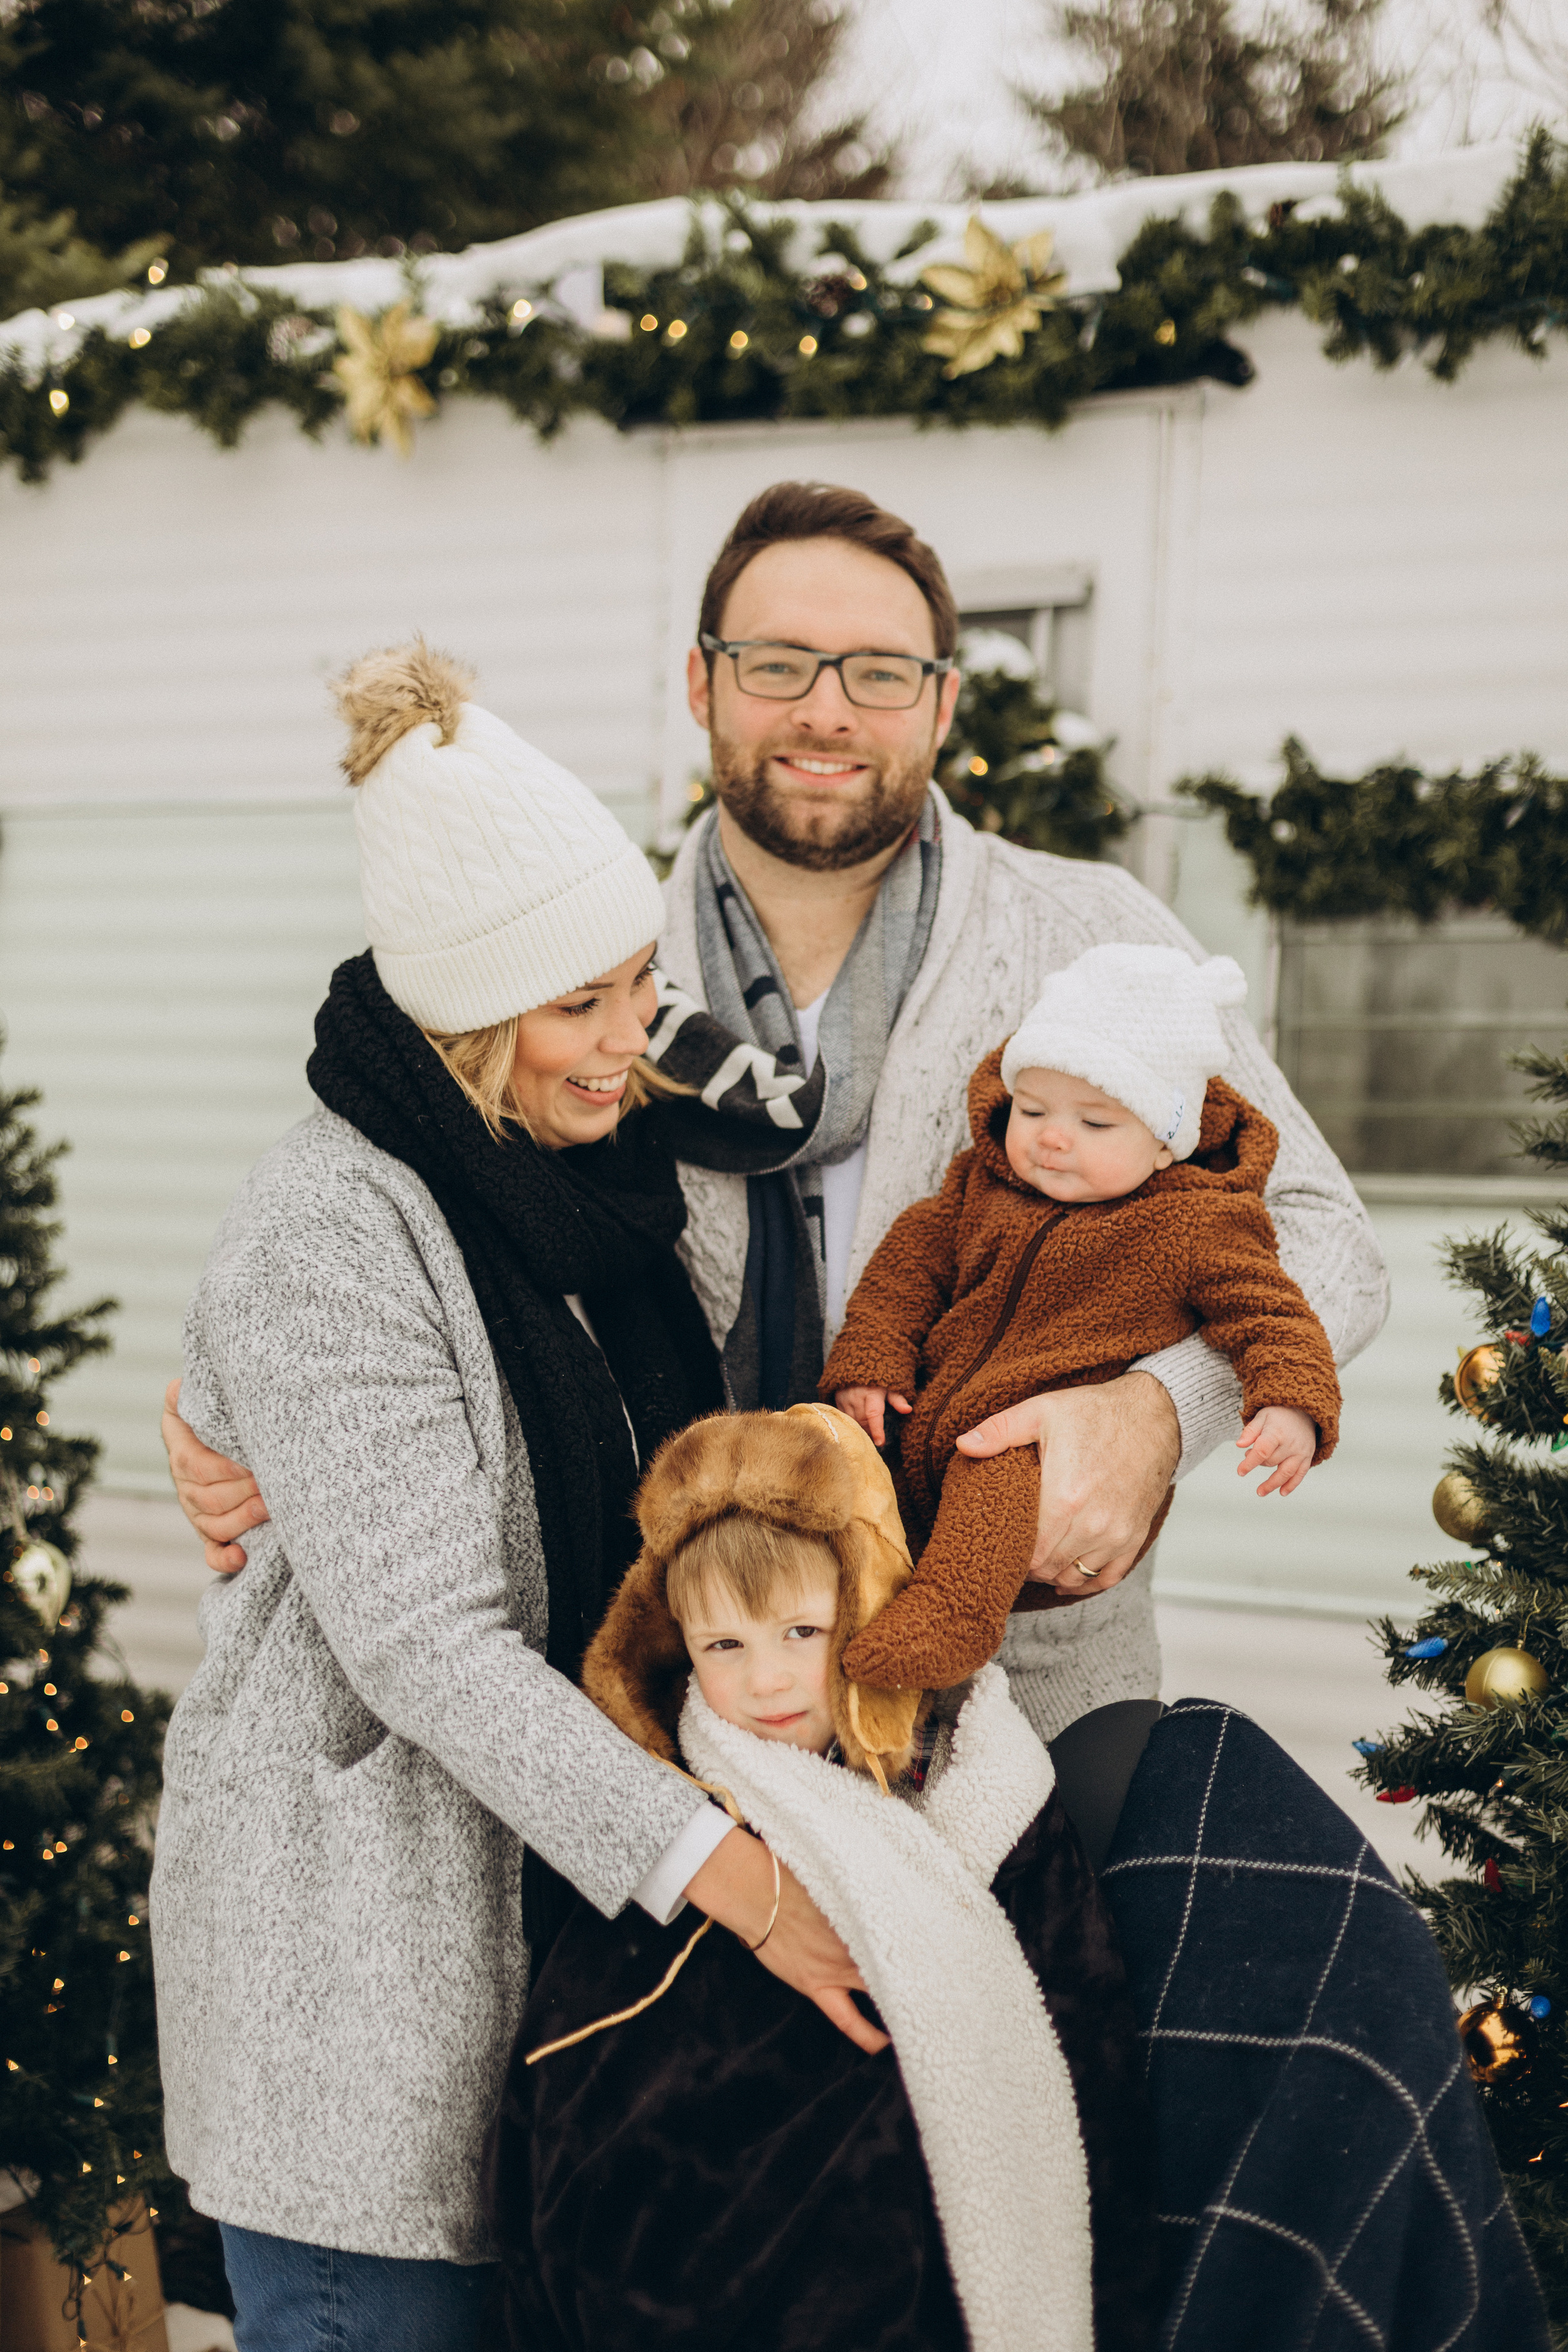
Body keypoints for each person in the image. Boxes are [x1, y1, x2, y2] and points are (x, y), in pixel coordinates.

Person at [162, 481, 1388, 1803]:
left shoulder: (1091, 942)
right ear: (700, 685)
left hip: (1025, 1701)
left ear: (941, 700)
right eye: (777, 664)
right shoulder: (589, 967)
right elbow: (408, 1196)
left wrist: (1158, 1410)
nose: (826, 709)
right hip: (667, 1702)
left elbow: (1325, 1242)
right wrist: (238, 1402)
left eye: (877, 670)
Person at [150, 643, 884, 2352]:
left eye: (639, 985)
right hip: (374, 2003)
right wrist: (738, 1881)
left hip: (563, 1984)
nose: (633, 1043)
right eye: (581, 1007)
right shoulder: (332, 1230)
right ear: (463, 1022)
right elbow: (427, 1647)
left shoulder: (611, 1195)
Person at [487, 1402, 1162, 2352]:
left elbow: (1083, 2051)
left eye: (801, 1633)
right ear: (678, 1643)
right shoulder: (676, 1817)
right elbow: (582, 2107)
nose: (764, 1683)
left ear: (873, 1605)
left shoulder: (989, 1788)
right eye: (724, 1646)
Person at [824, 943, 1343, 1691]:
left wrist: (1292, 1400)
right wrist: (871, 1361)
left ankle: (954, 1616)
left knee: (997, 1478)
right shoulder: (979, 1191)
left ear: (1168, 1145)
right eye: (1032, 1110)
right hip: (925, 1417)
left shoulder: (1193, 1224)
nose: (1052, 1136)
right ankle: (841, 1607)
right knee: (828, 1460)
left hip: (1047, 1454)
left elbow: (1271, 1313)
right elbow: (904, 1273)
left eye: (1096, 1124)